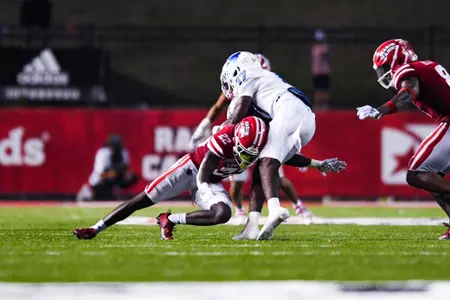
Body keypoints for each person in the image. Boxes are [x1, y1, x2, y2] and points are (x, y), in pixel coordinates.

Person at [74, 117, 343, 241]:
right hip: (192, 170)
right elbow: (203, 173)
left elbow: (288, 156)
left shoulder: (263, 143)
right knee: (143, 199)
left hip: (211, 180)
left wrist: (319, 164)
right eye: (245, 152)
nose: (248, 158)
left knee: (223, 214)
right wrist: (203, 192)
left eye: (254, 153)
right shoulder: (225, 138)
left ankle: (169, 219)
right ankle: (97, 228)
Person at [191, 53, 313, 218]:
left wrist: (292, 149)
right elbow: (222, 106)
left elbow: (283, 121)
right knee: (238, 180)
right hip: (242, 138)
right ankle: (241, 212)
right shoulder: (242, 85)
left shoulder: (266, 85)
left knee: (273, 173)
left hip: (264, 138)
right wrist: (208, 124)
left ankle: (293, 207)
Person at [356, 39, 450, 240]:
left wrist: (379, 110)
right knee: (431, 178)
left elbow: (407, 94)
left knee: (416, 174)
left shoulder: (407, 70)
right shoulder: (426, 66)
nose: (382, 74)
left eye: (383, 67)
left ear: (395, 59)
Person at [222, 51, 317, 240]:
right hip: (303, 118)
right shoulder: (266, 80)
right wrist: (316, 163)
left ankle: (275, 210)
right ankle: (251, 225)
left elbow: (241, 106)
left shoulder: (248, 75)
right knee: (262, 165)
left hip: (289, 110)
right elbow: (288, 158)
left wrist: (223, 131)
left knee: (266, 163)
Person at [76, 135, 138, 201]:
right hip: (98, 184)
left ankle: (114, 193)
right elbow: (101, 175)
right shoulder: (104, 153)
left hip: (113, 181)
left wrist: (126, 175)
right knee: (111, 178)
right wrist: (115, 173)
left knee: (133, 177)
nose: (117, 147)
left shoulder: (123, 152)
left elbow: (127, 171)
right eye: (115, 145)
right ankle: (94, 195)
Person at [311, 29, 331, 110]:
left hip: (324, 72)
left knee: (324, 90)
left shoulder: (325, 47)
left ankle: (324, 105)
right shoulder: (315, 48)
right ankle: (318, 105)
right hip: (317, 72)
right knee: (318, 90)